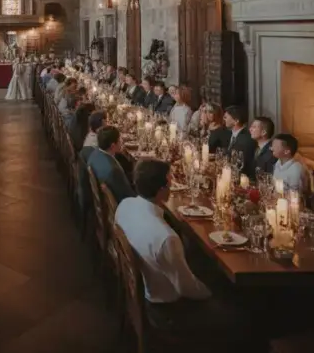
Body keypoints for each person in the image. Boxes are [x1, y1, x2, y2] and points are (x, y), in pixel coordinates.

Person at [115, 159, 230, 333]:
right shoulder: (166, 238)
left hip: (140, 288)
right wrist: (212, 292)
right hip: (167, 310)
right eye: (170, 181)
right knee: (237, 312)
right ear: (162, 190)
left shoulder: (125, 205)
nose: (171, 184)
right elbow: (186, 288)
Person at [87, 125, 135, 203]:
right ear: (113, 146)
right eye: (119, 140)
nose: (122, 142)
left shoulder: (94, 154)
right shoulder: (114, 170)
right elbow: (127, 196)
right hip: (123, 204)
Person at [223, 105, 255, 174]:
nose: (224, 119)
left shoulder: (246, 139)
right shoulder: (228, 133)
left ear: (236, 121)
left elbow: (242, 164)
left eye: (226, 117)